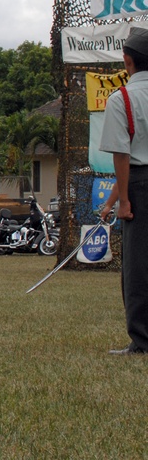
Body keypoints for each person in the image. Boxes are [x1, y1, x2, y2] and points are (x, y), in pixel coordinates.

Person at [99, 27, 148, 355]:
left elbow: (121, 154)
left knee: (138, 265)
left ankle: (142, 340)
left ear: (127, 61)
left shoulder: (123, 98)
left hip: (140, 183)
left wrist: (124, 201)